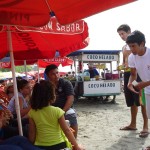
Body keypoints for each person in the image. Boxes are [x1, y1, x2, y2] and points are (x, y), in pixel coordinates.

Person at [28, 80, 84, 150]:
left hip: (40, 146)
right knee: (82, 147)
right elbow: (66, 130)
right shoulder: (57, 111)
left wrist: (31, 145)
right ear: (51, 95)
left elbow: (32, 132)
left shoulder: (32, 112)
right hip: (59, 145)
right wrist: (76, 146)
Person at [117, 24, 148, 137]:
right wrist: (130, 81)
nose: (121, 36)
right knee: (132, 101)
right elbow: (129, 68)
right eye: (119, 34)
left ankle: (145, 126)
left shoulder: (143, 50)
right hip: (131, 75)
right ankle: (133, 124)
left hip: (142, 77)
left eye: (123, 33)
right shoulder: (127, 51)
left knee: (142, 101)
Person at [126, 30, 150, 150]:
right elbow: (133, 74)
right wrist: (130, 83)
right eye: (129, 46)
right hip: (147, 90)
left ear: (142, 43)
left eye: (133, 46)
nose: (132, 49)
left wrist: (144, 84)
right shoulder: (131, 57)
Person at [44, 64, 78, 138]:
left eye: (57, 73)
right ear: (47, 75)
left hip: (65, 109)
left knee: (71, 115)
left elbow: (70, 98)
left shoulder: (66, 83)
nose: (56, 75)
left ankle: (74, 140)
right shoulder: (45, 85)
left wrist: (62, 111)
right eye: (53, 74)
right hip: (50, 109)